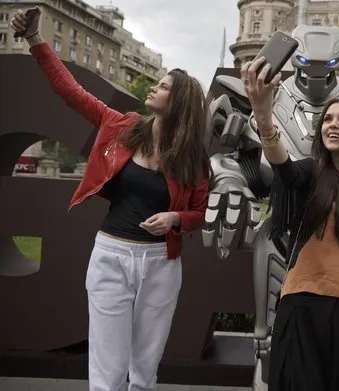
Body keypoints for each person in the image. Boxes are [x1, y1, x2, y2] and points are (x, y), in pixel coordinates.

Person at [11, 8, 211, 391]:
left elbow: (198, 213)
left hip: (160, 266)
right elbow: (71, 92)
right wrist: (37, 41)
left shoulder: (192, 158)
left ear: (180, 102)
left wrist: (175, 219)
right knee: (106, 368)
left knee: (144, 369)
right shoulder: (122, 126)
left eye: (163, 86)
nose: (153, 87)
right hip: (111, 257)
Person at [242, 57, 339, 391]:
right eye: (327, 118)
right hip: (304, 303)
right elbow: (283, 166)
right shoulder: (311, 172)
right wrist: (263, 112)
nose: (332, 124)